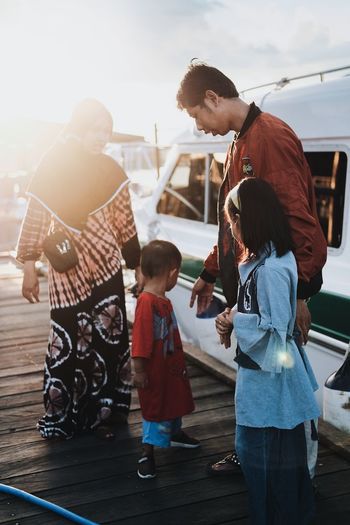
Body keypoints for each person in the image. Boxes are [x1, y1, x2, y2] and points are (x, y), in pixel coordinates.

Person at [176, 62, 327, 475]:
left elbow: (299, 220)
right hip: (251, 288)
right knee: (257, 379)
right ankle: (254, 453)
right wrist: (209, 272)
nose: (199, 126)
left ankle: (298, 472)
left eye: (196, 116)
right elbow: (233, 227)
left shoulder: (269, 139)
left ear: (212, 98)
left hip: (276, 295)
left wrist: (301, 294)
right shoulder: (239, 142)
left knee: (287, 385)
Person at [17, 99, 141, 440]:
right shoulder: (52, 165)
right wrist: (29, 267)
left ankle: (106, 411)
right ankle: (63, 413)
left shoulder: (112, 170)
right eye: (94, 129)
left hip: (106, 269)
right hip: (65, 271)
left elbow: (125, 224)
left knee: (108, 339)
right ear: (78, 127)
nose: (101, 137)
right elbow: (35, 220)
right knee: (68, 341)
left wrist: (137, 264)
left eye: (106, 130)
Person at [216, 177, 319, 524]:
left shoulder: (271, 270)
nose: (230, 229)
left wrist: (234, 321)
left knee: (263, 459)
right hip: (266, 382)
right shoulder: (268, 259)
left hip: (270, 388)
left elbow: (275, 331)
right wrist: (232, 317)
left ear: (247, 219)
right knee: (271, 461)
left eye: (232, 220)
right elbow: (258, 314)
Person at [132, 240, 200, 479]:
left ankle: (175, 433)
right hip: (155, 372)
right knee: (155, 409)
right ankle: (147, 452)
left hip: (170, 368)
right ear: (172, 272)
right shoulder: (147, 302)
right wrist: (139, 370)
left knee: (175, 400)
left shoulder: (162, 300)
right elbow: (140, 340)